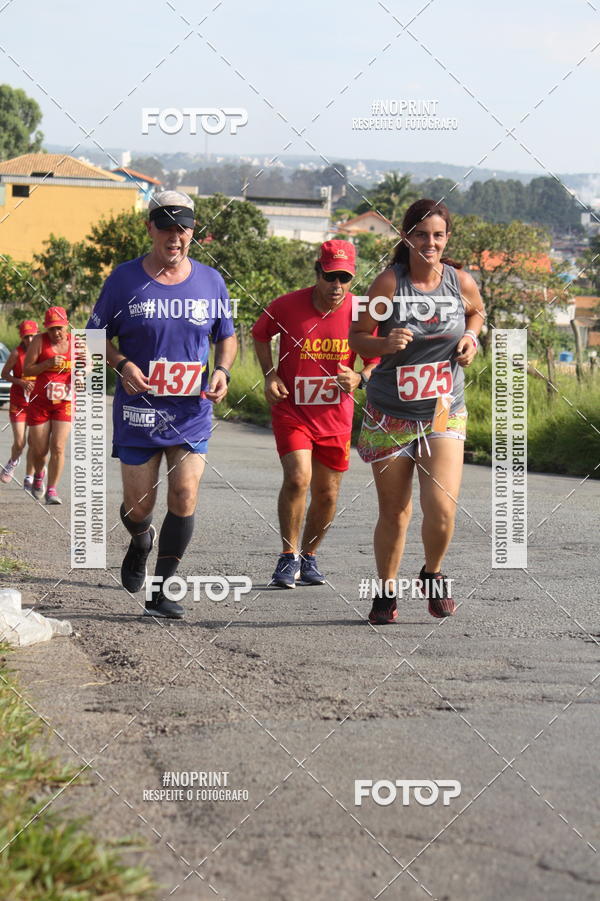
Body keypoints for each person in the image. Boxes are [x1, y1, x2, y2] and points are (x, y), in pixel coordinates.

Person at [87, 190, 237, 619]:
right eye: (167, 227)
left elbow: (226, 335)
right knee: (139, 508)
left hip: (190, 411)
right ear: (150, 227)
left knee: (185, 492)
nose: (176, 237)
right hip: (139, 411)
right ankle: (139, 539)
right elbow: (96, 338)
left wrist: (222, 371)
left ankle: (163, 588)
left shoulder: (211, 281)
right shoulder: (124, 280)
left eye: (183, 228)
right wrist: (122, 364)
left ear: (193, 232)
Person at [349, 198, 485, 624]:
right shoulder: (390, 283)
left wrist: (472, 341)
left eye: (438, 235)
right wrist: (384, 345)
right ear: (407, 237)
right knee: (395, 510)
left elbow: (477, 314)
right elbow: (358, 336)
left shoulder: (460, 282)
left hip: (444, 408)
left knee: (442, 505)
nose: (430, 243)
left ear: (447, 239)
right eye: (421, 234)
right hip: (391, 411)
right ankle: (386, 593)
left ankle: (432, 572)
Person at [252, 239, 378, 588]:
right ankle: (287, 556)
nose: (337, 286)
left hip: (336, 416)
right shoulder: (287, 305)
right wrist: (269, 374)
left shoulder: (362, 311)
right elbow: (260, 334)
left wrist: (360, 377)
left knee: (327, 493)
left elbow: (378, 355)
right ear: (317, 272)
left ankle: (309, 556)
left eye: (344, 278)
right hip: (292, 409)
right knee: (298, 478)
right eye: (330, 277)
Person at [23, 307, 73, 504]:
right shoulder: (38, 341)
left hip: (64, 402)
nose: (56, 333)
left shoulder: (76, 343)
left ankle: (52, 490)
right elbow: (27, 369)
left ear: (66, 325)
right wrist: (47, 363)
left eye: (59, 328)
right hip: (40, 402)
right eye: (51, 329)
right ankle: (38, 475)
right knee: (39, 450)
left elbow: (88, 364)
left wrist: (81, 373)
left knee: (59, 447)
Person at [1, 320, 39, 490]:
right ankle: (13, 461)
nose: (29, 340)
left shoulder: (42, 352)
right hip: (18, 401)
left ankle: (30, 476)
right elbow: (4, 373)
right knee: (20, 441)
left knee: (34, 440)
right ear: (22, 337)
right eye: (26, 337)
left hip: (37, 402)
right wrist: (21, 382)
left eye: (32, 336)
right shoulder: (16, 353)